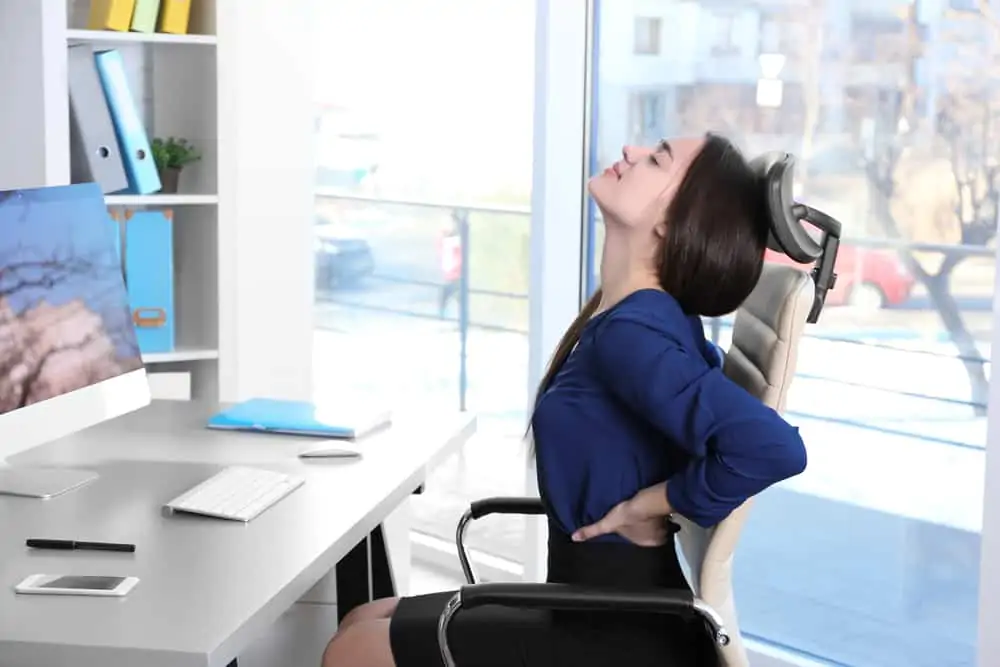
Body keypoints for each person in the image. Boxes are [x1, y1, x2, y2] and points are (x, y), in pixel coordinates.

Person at [320, 133, 808, 667]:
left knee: (354, 651)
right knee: (361, 621)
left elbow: (773, 448)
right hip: (598, 601)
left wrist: (646, 504)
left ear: (672, 223)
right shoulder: (645, 315)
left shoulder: (635, 333)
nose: (631, 152)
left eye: (656, 158)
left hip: (617, 626)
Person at [438, 214, 463, 318]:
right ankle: (443, 312)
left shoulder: (455, 240)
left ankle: (444, 312)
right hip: (451, 273)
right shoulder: (446, 239)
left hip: (455, 273)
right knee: (449, 294)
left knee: (452, 293)